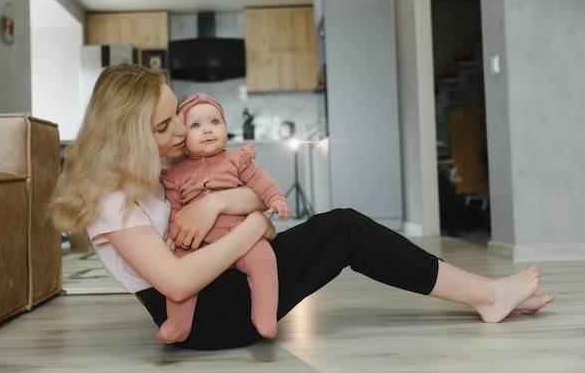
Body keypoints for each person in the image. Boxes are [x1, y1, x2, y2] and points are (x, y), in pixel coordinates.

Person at [49, 64, 555, 351]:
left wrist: (219, 204)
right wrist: (251, 225)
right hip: (202, 316)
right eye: (165, 127)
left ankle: (487, 296)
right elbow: (177, 284)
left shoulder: (159, 168)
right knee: (344, 230)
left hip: (218, 287)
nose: (183, 131)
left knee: (343, 228)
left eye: (176, 113)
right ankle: (488, 297)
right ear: (130, 135)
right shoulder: (111, 200)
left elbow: (243, 189)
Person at [158, 92, 290, 343]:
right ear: (183, 138)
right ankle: (178, 322)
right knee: (180, 269)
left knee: (263, 258)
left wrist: (277, 199)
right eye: (196, 125)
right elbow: (175, 210)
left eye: (214, 122)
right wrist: (172, 237)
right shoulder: (177, 174)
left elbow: (261, 182)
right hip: (198, 245)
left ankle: (264, 313)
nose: (207, 130)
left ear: (226, 128)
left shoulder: (236, 160)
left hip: (240, 238)